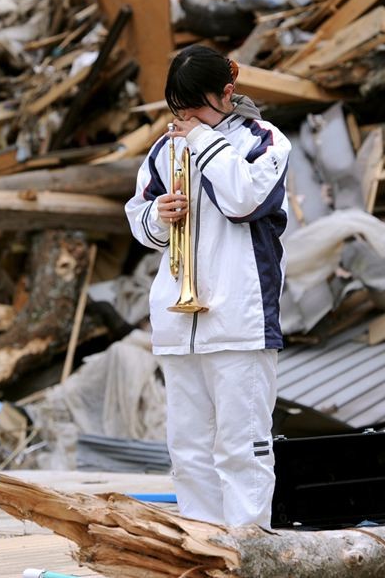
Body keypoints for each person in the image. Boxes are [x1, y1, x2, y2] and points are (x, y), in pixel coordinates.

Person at [124, 45, 290, 528]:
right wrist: (158, 217)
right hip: (179, 322)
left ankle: (248, 549)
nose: (185, 116)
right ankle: (202, 546)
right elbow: (139, 216)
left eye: (196, 104)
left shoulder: (266, 141)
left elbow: (242, 200)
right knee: (188, 449)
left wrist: (200, 139)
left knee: (243, 446)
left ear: (227, 94)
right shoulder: (164, 149)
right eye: (179, 107)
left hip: (240, 318)